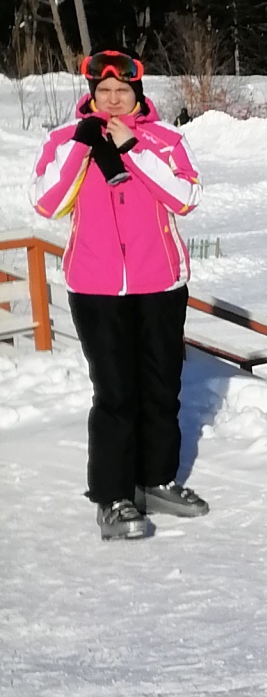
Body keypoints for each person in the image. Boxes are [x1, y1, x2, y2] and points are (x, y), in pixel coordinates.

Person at [30, 48, 208, 541]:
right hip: (96, 286)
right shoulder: (64, 139)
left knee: (160, 389)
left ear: (137, 94)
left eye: (121, 92)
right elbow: (46, 202)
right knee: (115, 393)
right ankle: (112, 497)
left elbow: (186, 197)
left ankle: (155, 480)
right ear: (91, 95)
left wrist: (132, 147)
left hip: (160, 283)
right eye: (103, 92)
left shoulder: (166, 140)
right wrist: (82, 149)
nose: (111, 101)